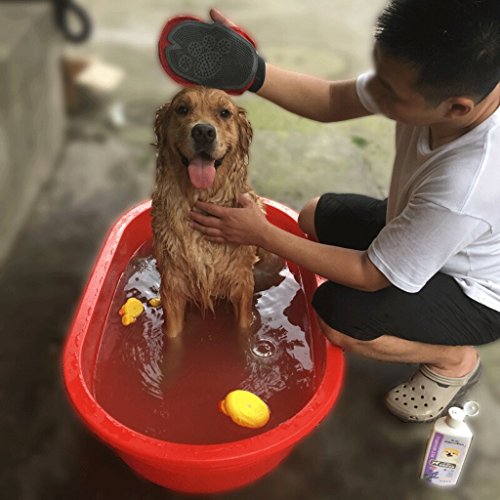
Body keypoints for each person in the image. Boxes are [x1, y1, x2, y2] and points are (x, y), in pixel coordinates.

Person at [160, 0, 500, 423]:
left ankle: (452, 361)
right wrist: (251, 71)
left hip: (475, 291)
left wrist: (260, 233)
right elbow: (331, 99)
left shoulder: (468, 183)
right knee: (314, 214)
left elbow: (370, 275)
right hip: (429, 228)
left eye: (389, 94)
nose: (376, 94)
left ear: (457, 108)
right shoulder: (429, 80)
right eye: (379, 77)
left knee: (339, 317)